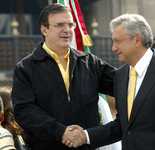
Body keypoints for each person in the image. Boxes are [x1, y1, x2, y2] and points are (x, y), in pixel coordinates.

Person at [65, 14, 155, 150]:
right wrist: (85, 136)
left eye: (117, 41)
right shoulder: (121, 75)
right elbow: (122, 126)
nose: (113, 48)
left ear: (136, 40)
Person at [11, 3, 115, 150]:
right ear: (44, 29)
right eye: (60, 25)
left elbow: (123, 84)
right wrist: (61, 132)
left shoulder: (90, 62)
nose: (67, 30)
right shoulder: (26, 68)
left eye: (70, 25)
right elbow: (24, 111)